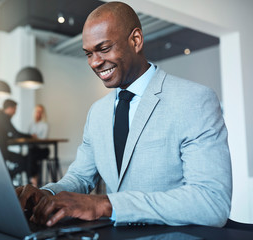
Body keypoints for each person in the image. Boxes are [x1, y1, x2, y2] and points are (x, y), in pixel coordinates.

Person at [16, 1, 232, 228]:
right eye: (89, 53)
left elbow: (212, 202)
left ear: (136, 40)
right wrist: (45, 194)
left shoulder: (194, 100)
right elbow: (80, 178)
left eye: (104, 48)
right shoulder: (97, 112)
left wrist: (105, 204)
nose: (95, 62)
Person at [0, 99, 32, 178]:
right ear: (9, 108)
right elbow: (16, 134)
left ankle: (7, 177)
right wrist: (30, 136)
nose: (15, 112)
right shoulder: (3, 117)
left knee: (23, 161)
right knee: (25, 161)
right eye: (15, 109)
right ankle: (8, 177)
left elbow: (3, 134)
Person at [27, 104, 50, 187]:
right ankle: (33, 179)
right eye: (37, 111)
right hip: (34, 149)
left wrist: (34, 137)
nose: (39, 113)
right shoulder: (31, 124)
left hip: (43, 150)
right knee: (30, 155)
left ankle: (33, 180)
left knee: (32, 156)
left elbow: (43, 138)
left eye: (41, 112)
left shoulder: (45, 124)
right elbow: (29, 137)